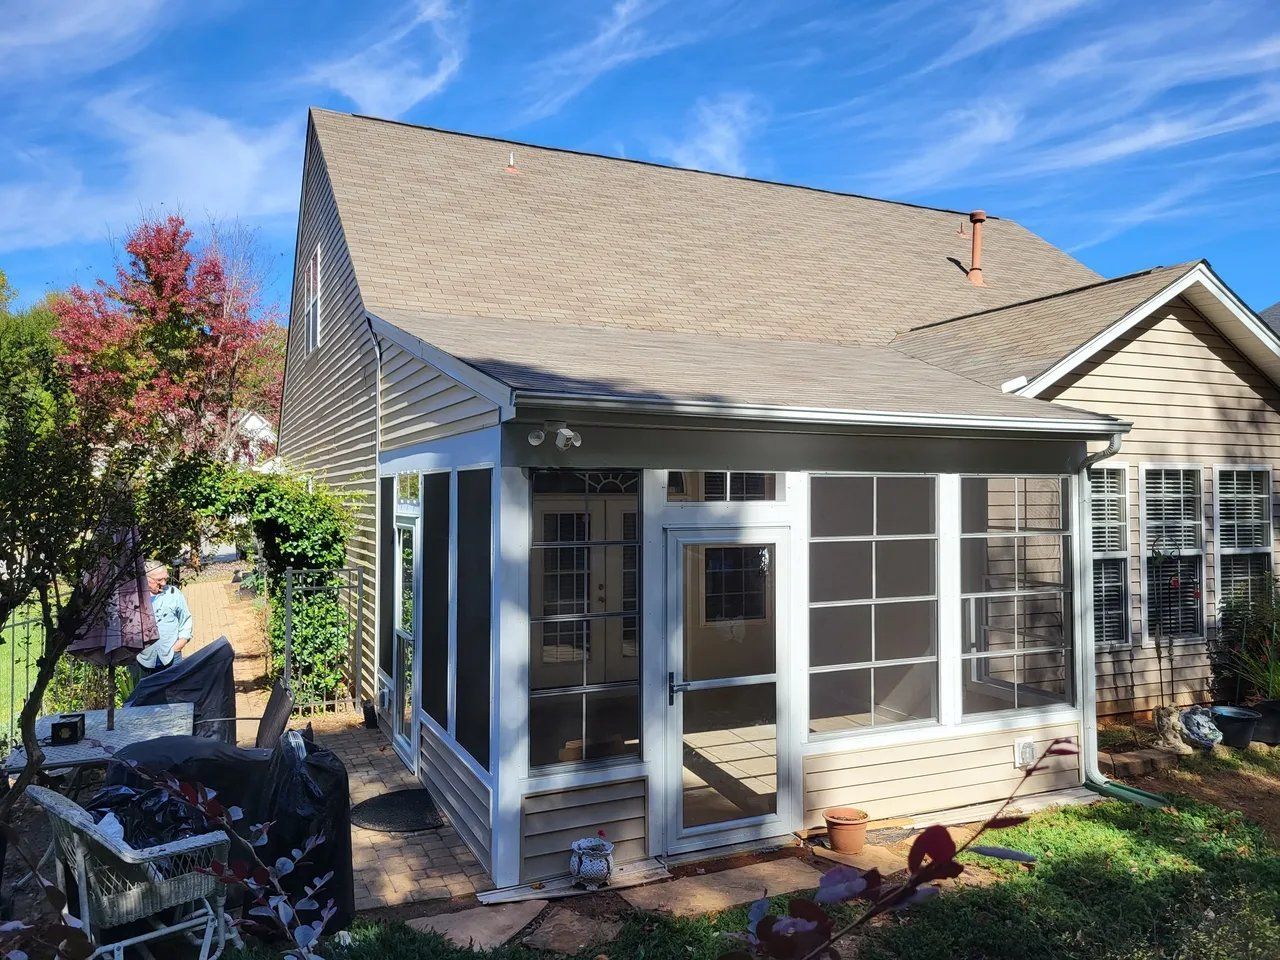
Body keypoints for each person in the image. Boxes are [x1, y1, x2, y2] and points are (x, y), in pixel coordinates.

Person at [137, 560, 193, 676]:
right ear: (146, 579)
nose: (163, 583)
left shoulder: (173, 594)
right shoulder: (134, 598)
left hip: (172, 657)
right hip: (142, 660)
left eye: (165, 579)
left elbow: (186, 620)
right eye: (159, 580)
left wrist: (180, 644)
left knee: (176, 687)